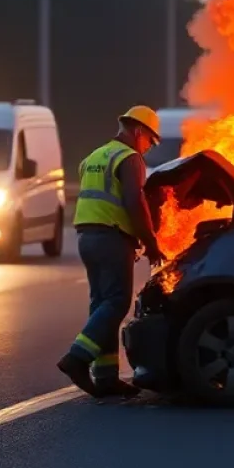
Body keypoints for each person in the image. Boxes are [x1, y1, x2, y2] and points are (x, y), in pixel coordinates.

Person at [57, 106, 165, 398]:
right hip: (111, 237)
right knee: (116, 302)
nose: (149, 148)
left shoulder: (94, 156)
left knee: (102, 304)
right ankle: (77, 358)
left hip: (86, 236)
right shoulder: (130, 159)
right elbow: (134, 201)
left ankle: (105, 377)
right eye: (151, 141)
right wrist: (151, 242)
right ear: (140, 132)